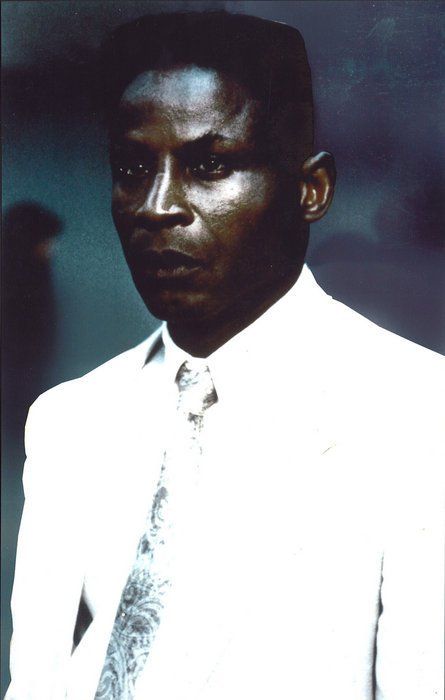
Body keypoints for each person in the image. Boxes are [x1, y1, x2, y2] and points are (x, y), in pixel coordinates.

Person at [7, 11, 443, 700]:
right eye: (132, 168)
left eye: (209, 166)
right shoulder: (70, 421)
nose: (156, 207)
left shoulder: (417, 415)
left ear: (311, 190)